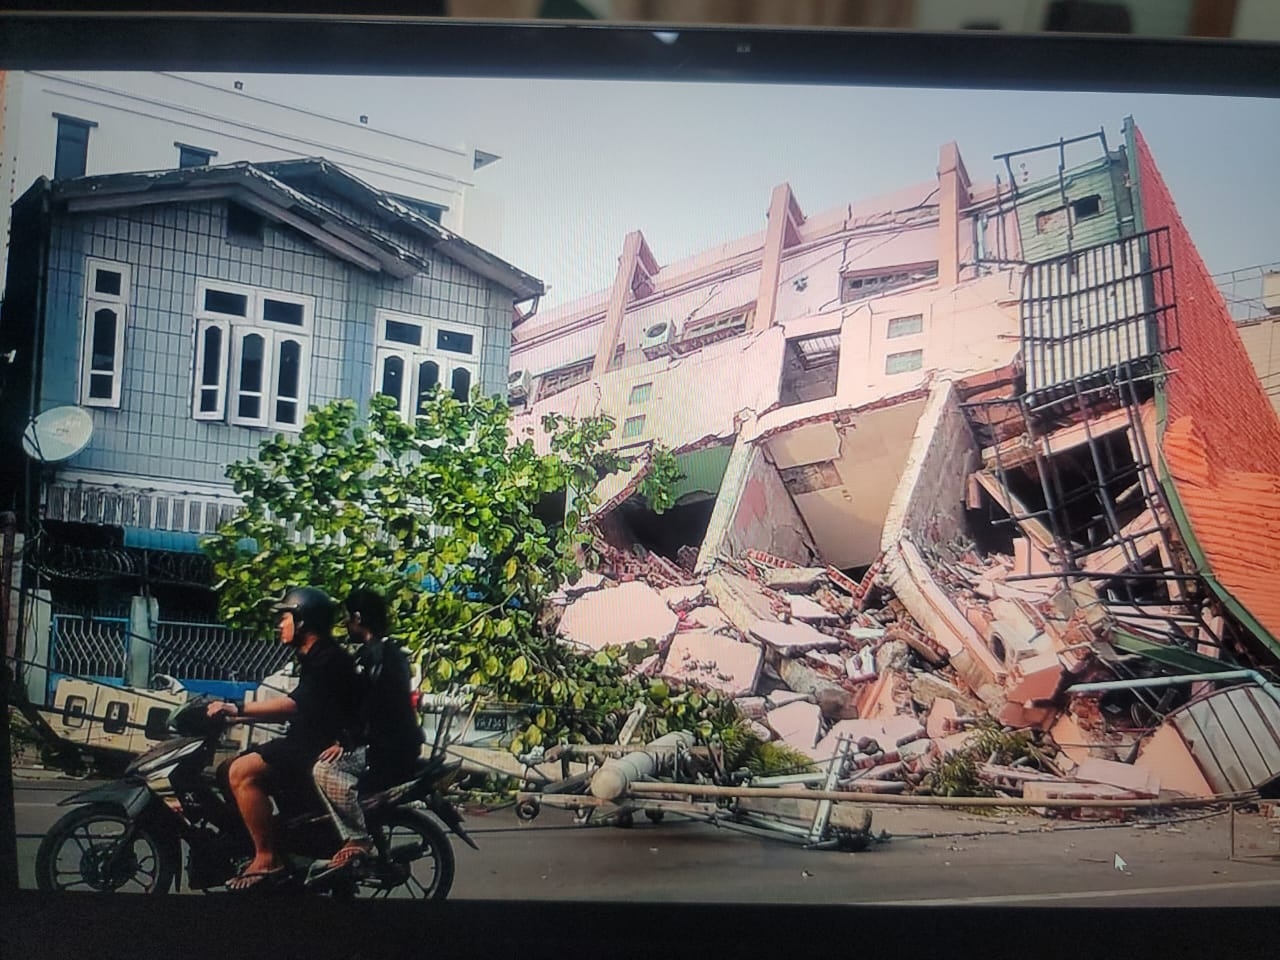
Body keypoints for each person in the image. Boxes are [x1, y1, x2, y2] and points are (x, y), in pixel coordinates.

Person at [207, 586, 361, 891]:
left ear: (303, 622)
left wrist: (236, 707)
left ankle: (267, 857)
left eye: (284, 617)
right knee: (225, 770)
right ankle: (271, 838)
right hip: (306, 740)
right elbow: (300, 709)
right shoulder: (314, 656)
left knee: (240, 772)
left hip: (320, 746)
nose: (280, 624)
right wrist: (235, 717)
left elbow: (294, 705)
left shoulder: (328, 659)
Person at [312, 587, 425, 872]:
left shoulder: (378, 656)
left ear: (359, 618)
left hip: (387, 749)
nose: (345, 624)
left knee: (324, 770)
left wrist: (346, 741)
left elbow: (375, 709)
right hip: (389, 743)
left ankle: (357, 837)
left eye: (348, 618)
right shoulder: (380, 653)